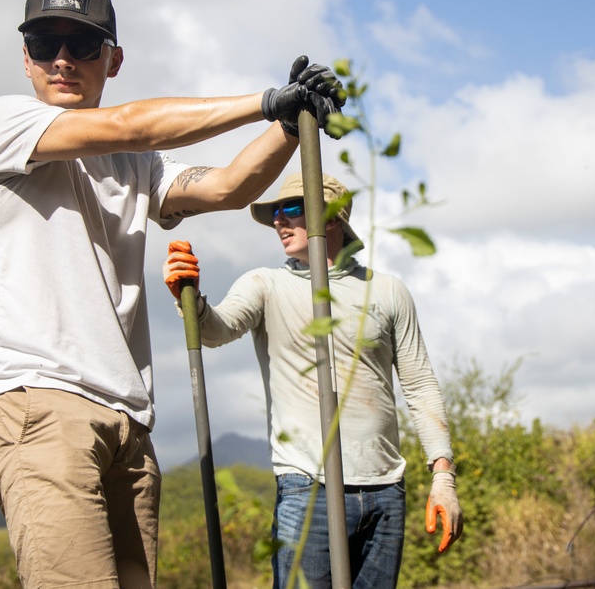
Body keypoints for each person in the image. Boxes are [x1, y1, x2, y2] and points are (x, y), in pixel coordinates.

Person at [0, 0, 343, 589]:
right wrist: (265, 99)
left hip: (127, 417)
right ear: (24, 57)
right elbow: (132, 125)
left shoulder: (140, 165)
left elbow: (228, 188)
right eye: (44, 43)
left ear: (113, 59)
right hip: (40, 400)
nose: (62, 59)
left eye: (83, 46)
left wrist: (292, 122)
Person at [162, 173, 463, 588]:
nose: (278, 223)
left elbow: (420, 384)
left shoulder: (388, 291)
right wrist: (189, 298)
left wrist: (443, 478)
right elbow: (217, 330)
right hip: (308, 489)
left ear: (333, 218)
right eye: (274, 214)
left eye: (290, 210)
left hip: (386, 492)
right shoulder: (265, 284)